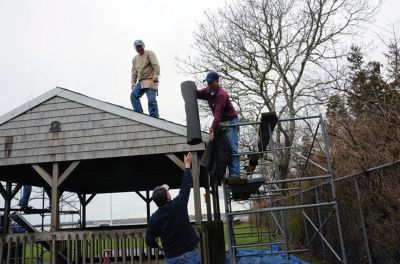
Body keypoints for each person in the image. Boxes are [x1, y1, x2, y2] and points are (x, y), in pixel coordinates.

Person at [145, 152, 201, 264]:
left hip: (171, 258)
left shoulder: (154, 219)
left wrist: (158, 246)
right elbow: (186, 185)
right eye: (167, 191)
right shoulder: (179, 204)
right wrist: (187, 165)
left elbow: (149, 240)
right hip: (190, 254)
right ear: (168, 196)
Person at [197, 71, 244, 184]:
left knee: (232, 148)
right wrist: (190, 89)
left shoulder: (221, 95)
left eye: (211, 82)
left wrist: (212, 129)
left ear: (217, 81)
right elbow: (198, 94)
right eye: (207, 83)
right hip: (221, 124)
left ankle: (235, 175)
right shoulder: (208, 91)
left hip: (231, 122)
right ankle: (225, 174)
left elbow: (217, 114)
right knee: (222, 149)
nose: (209, 85)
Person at [130, 39, 160, 118]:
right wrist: (133, 82)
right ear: (135, 48)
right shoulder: (135, 59)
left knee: (151, 100)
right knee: (133, 95)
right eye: (137, 47)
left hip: (150, 80)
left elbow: (156, 65)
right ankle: (139, 115)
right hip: (141, 82)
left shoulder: (149, 53)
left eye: (140, 46)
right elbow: (134, 72)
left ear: (143, 46)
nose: (139, 48)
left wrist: (156, 75)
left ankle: (154, 117)